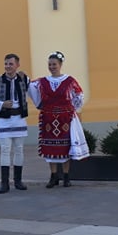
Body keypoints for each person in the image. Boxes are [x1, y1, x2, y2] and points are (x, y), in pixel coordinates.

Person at [29, 51, 89, 188]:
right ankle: (54, 176)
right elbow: (31, 87)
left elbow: (79, 94)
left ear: (60, 64)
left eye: (54, 64)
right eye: (50, 64)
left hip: (65, 118)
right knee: (51, 146)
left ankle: (66, 176)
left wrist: (72, 109)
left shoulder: (69, 80)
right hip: (49, 118)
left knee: (66, 146)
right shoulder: (42, 81)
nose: (52, 67)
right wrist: (23, 79)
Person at [0, 53, 30, 193]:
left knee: (19, 149)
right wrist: (2, 104)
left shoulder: (24, 79)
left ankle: (18, 181)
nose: (8, 66)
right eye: (6, 64)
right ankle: (4, 183)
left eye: (11, 64)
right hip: (4, 120)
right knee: (5, 150)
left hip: (19, 119)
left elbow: (35, 90)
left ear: (17, 65)